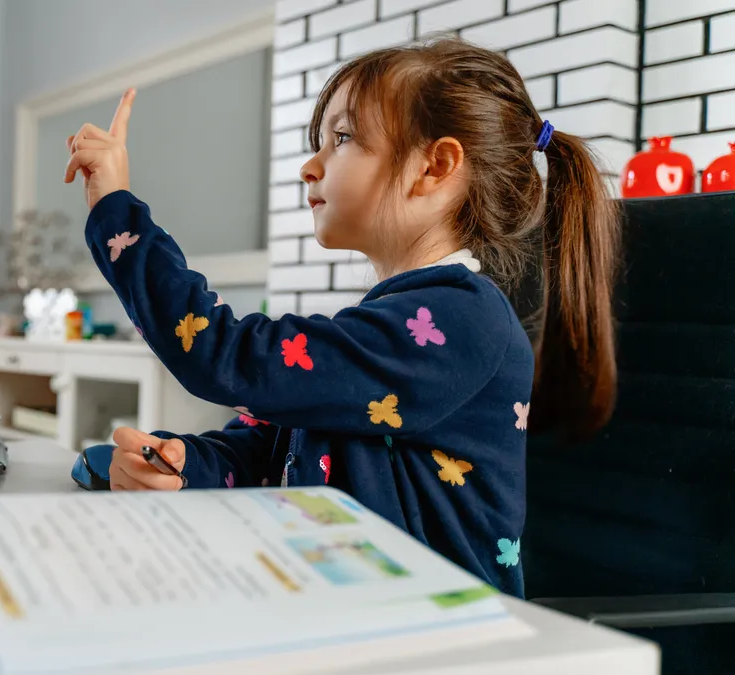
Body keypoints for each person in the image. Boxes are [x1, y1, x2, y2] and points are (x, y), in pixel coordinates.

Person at [64, 38, 620, 596]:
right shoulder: (390, 324)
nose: (311, 166)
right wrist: (187, 464)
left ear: (435, 165)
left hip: (434, 634)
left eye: (344, 138)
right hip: (339, 601)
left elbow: (225, 354)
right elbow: (269, 449)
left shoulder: (462, 322)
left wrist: (114, 206)